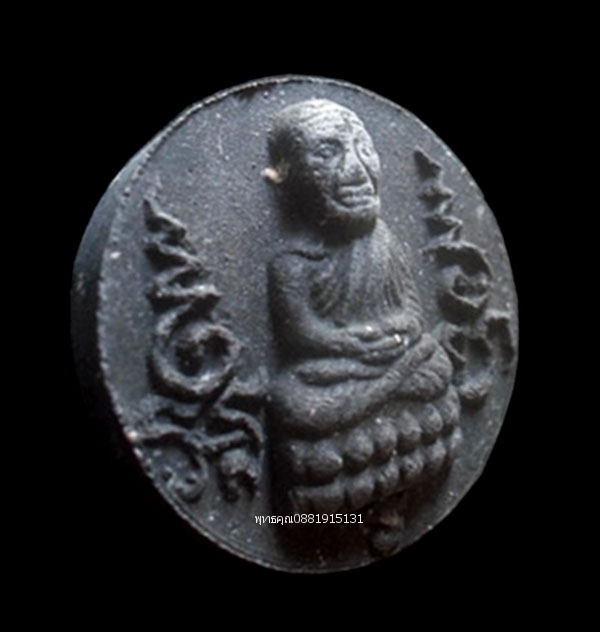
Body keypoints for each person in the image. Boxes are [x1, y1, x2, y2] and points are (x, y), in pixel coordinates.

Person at [265, 100, 461, 523]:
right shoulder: (292, 262)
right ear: (291, 174)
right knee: (292, 400)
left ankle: (365, 452)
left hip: (384, 360)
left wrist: (400, 334)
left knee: (437, 364)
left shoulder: (384, 240)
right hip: (338, 370)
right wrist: (348, 343)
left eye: (364, 149)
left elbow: (411, 310)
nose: (356, 169)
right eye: (327, 152)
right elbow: (301, 333)